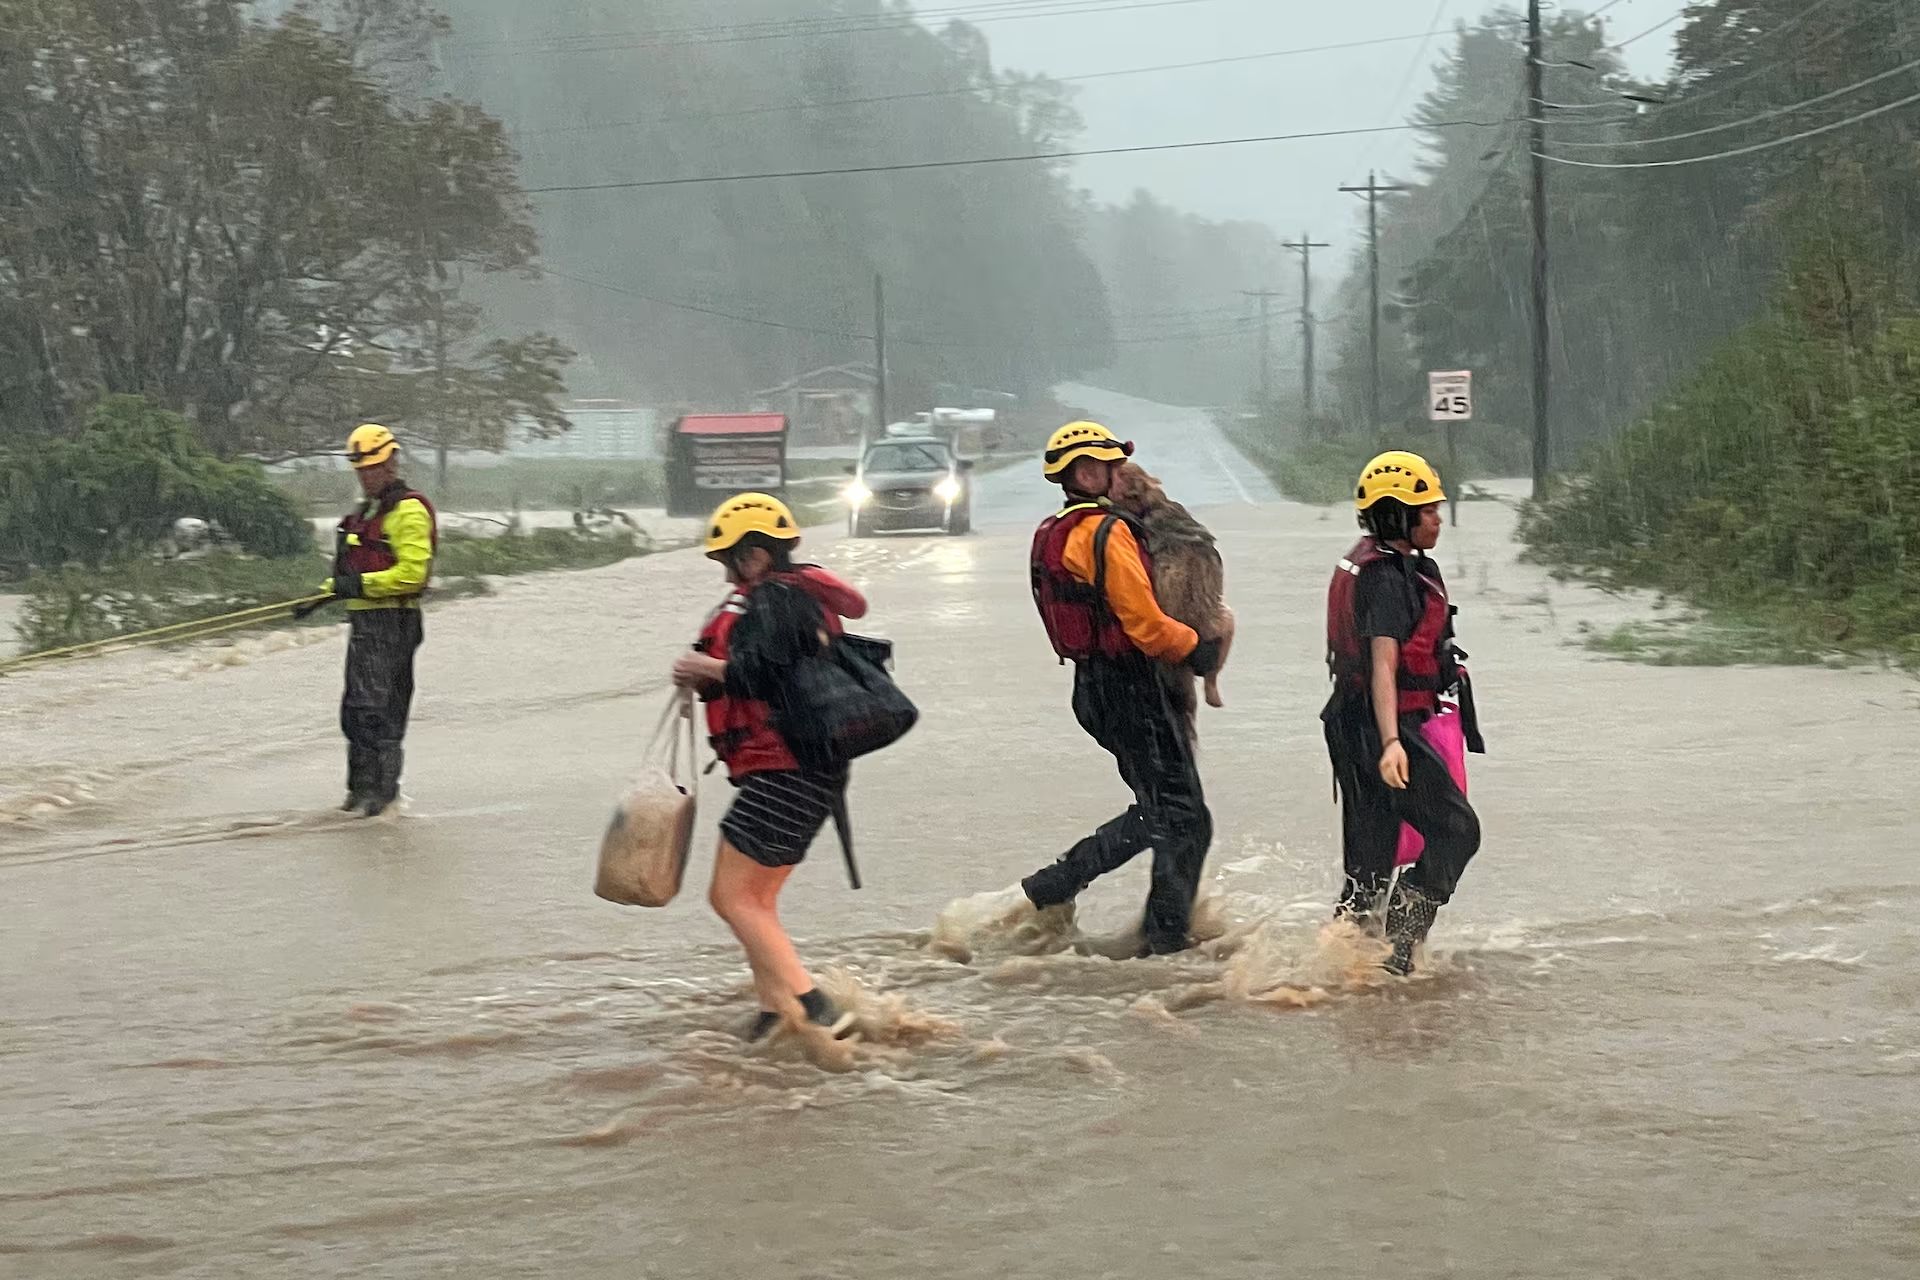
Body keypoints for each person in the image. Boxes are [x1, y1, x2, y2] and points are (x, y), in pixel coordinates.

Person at [670, 493, 869, 1041]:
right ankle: (774, 1009)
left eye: (728, 560)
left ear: (754, 556)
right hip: (800, 766)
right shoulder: (790, 598)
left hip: (789, 767)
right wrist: (712, 671)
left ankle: (816, 1008)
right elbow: (777, 670)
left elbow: (766, 675)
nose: (726, 572)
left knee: (731, 897)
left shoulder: (777, 602)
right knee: (754, 897)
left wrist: (703, 666)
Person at [1020, 422, 1223, 955]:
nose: (1119, 477)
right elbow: (1146, 623)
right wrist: (1197, 649)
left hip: (1093, 691)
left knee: (1157, 811)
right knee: (1186, 821)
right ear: (1089, 472)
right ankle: (1165, 945)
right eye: (1111, 467)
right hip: (1131, 690)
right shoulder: (1107, 533)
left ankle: (1055, 885)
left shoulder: (1053, 530)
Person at [1322, 450, 1483, 976]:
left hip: (1355, 723)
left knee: (1370, 864)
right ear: (1396, 516)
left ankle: (1345, 971)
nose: (1438, 517)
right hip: (1376, 726)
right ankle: (1397, 952)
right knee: (1458, 831)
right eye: (1427, 509)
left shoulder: (1394, 566)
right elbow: (1383, 666)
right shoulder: (1386, 580)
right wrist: (1392, 743)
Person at [323, 424, 437, 817]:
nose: (366, 477)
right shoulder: (366, 512)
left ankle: (383, 802)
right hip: (365, 625)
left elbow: (412, 575)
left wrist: (360, 585)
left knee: (377, 713)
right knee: (355, 713)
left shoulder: (409, 511)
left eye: (372, 468)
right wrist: (331, 589)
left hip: (393, 623)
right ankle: (359, 796)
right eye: (361, 470)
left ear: (390, 463)